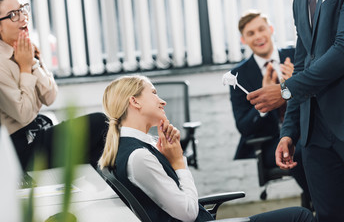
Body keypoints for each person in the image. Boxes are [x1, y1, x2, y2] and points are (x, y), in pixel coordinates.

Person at [98, 75, 314, 222]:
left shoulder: (131, 148)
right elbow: (189, 213)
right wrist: (178, 162)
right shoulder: (139, 157)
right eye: (153, 93)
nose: (162, 101)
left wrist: (167, 159)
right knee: (300, 217)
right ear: (134, 102)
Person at [246, 0, 344, 221]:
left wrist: (285, 91)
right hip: (314, 135)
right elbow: (301, 65)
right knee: (329, 216)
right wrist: (289, 132)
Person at [0, 0, 107, 170]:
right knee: (101, 123)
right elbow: (24, 114)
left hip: (36, 133)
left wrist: (32, 62)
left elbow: (50, 96)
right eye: (13, 15)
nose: (23, 17)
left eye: (22, 9)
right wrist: (25, 68)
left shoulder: (25, 47)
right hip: (21, 149)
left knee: (96, 149)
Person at [229, 11, 311, 208]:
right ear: (243, 40)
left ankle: (322, 202)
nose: (258, 36)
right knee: (301, 150)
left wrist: (297, 82)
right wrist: (263, 105)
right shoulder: (238, 75)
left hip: (307, 127)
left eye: (261, 29)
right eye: (250, 33)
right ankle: (320, 201)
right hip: (270, 141)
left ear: (271, 29)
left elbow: (318, 95)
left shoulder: (296, 55)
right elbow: (244, 126)